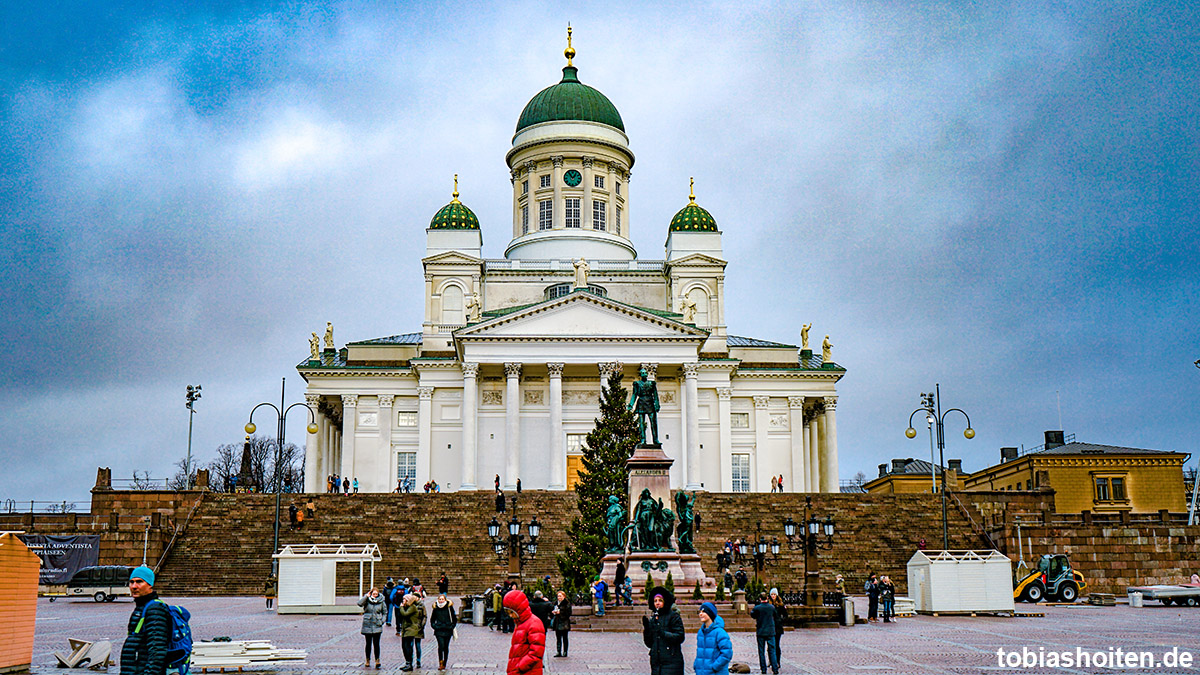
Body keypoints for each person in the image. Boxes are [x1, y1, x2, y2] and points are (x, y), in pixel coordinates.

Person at [120, 566, 171, 675]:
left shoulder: (155, 609)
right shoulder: (141, 608)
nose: (134, 586)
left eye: (139, 582)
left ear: (150, 584)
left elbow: (157, 649)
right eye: (131, 582)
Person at [642, 588, 685, 675]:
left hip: (672, 661)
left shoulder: (673, 616)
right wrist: (647, 630)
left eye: (660, 600)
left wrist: (663, 633)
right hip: (657, 663)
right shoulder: (653, 618)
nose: (657, 603)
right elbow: (650, 644)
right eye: (655, 601)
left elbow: (680, 636)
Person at [503, 588, 546, 675]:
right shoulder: (520, 623)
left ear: (518, 609)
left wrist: (519, 667)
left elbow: (536, 653)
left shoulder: (534, 624)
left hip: (527, 671)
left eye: (511, 612)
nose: (511, 616)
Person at [693, 601, 732, 675]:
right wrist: (697, 664)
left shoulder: (720, 633)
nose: (700, 614)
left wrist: (714, 667)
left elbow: (727, 653)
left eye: (704, 612)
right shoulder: (701, 632)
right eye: (700, 612)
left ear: (710, 614)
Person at [358, 587, 386, 669]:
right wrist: (366, 596)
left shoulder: (381, 602)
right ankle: (367, 660)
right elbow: (359, 604)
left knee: (376, 644)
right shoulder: (367, 600)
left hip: (377, 624)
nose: (375, 596)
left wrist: (382, 621)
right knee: (368, 644)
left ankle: (377, 660)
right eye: (373, 594)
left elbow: (385, 612)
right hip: (368, 624)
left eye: (376, 594)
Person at [751, 592, 779, 674]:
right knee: (772, 651)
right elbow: (776, 616)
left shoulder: (757, 608)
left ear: (760, 599)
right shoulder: (772, 607)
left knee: (761, 651)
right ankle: (775, 669)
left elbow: (753, 615)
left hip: (761, 631)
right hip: (770, 631)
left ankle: (763, 669)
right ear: (767, 598)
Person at [429, 594, 456, 671]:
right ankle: (440, 662)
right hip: (439, 630)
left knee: (446, 647)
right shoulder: (436, 608)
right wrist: (435, 626)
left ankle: (445, 663)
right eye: (440, 599)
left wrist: (452, 626)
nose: (441, 601)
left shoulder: (449, 607)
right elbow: (432, 619)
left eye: (442, 599)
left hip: (448, 629)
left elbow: (454, 618)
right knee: (441, 646)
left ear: (445, 600)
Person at [396, 593, 422, 671]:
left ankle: (409, 663)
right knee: (404, 646)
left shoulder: (412, 607)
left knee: (407, 646)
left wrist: (401, 607)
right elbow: (400, 616)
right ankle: (407, 662)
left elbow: (405, 614)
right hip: (405, 628)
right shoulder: (406, 607)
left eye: (404, 599)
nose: (403, 601)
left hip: (411, 629)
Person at [551, 590, 572, 658]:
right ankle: (558, 651)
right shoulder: (556, 603)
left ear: (564, 596)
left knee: (565, 638)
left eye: (560, 596)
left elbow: (569, 613)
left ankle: (565, 652)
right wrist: (553, 612)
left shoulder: (567, 603)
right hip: (557, 621)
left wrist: (561, 613)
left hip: (564, 622)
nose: (559, 597)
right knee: (558, 638)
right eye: (558, 596)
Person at [769, 588, 787, 666]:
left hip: (777, 627)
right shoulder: (768, 605)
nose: (773, 596)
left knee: (776, 645)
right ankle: (771, 660)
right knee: (770, 645)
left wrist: (780, 620)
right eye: (772, 594)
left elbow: (785, 615)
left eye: (774, 594)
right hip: (770, 626)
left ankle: (777, 661)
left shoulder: (780, 605)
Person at [414, 593, 427, 668]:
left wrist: (422, 625)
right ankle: (410, 660)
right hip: (411, 627)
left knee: (418, 645)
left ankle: (418, 660)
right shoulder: (410, 604)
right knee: (410, 645)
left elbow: (424, 616)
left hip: (419, 627)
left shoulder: (422, 605)